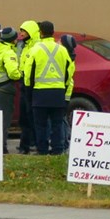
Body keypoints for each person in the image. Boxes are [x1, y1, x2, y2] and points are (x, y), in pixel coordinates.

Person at [23, 20, 74, 155]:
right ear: (53, 32)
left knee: (40, 125)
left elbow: (28, 74)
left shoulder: (35, 50)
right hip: (58, 92)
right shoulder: (62, 50)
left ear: (40, 33)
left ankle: (42, 150)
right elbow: (69, 72)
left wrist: (29, 93)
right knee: (57, 124)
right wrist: (65, 89)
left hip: (39, 93)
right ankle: (57, 149)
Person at [14, 21, 41, 154]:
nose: (21, 33)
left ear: (31, 31)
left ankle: (34, 143)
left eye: (23, 30)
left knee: (32, 117)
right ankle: (25, 145)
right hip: (24, 84)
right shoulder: (24, 47)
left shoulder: (36, 47)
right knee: (24, 117)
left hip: (33, 86)